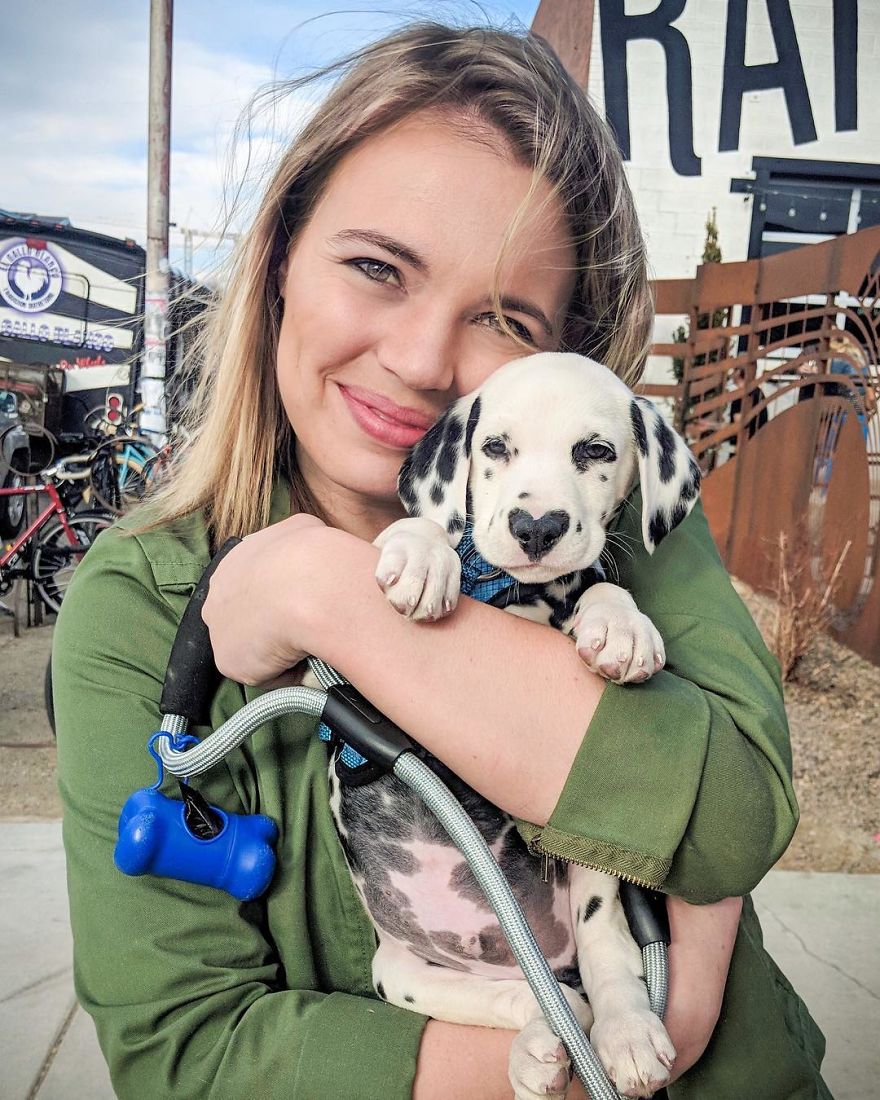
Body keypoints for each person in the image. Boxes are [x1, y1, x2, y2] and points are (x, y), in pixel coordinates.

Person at [53, 22, 832, 1100]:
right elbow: (186, 1052)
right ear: (278, 261)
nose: (421, 362)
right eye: (377, 267)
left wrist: (328, 596)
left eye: (504, 317)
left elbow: (737, 825)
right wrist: (599, 1048)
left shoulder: (609, 510)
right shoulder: (141, 599)